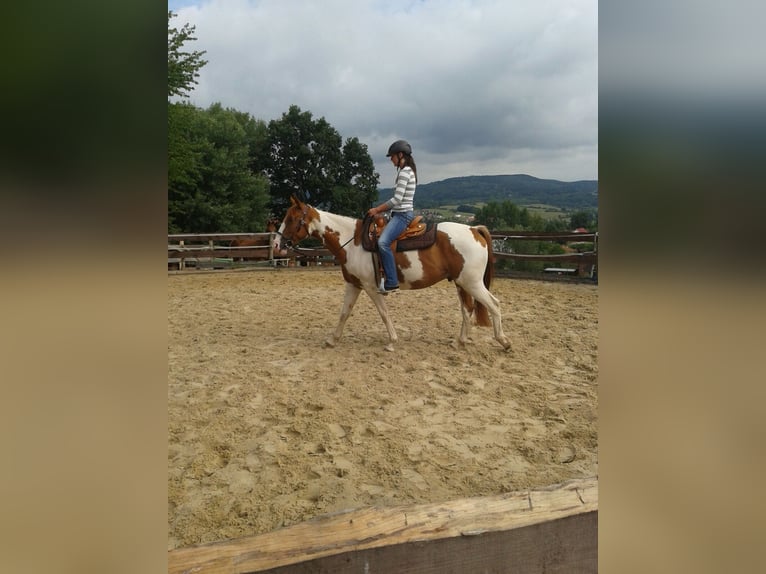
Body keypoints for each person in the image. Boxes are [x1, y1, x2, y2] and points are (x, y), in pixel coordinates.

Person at [367, 139, 417, 293]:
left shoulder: (404, 172)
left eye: (392, 156)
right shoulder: (408, 171)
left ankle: (392, 282)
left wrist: (377, 209)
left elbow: (397, 200)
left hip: (402, 216)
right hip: (398, 214)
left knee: (383, 242)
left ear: (400, 155)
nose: (391, 159)